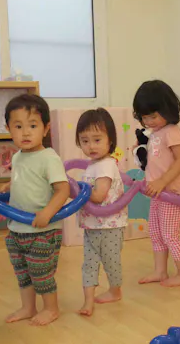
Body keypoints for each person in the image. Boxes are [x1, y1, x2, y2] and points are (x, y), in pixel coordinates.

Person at [0, 94, 71, 326]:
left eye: (33, 125)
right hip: (17, 229)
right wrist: (9, 186)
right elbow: (26, 180)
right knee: (23, 273)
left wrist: (48, 212)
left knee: (41, 273)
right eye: (18, 126)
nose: (26, 132)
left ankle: (51, 308)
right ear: (8, 129)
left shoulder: (49, 158)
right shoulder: (18, 157)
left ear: (46, 128)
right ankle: (28, 307)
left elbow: (62, 189)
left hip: (43, 230)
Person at [133, 80, 180, 287]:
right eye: (144, 117)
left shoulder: (171, 131)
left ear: (167, 110)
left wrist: (162, 181)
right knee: (156, 233)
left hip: (173, 192)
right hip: (158, 193)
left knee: (169, 234)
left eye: (153, 116)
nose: (149, 121)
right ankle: (160, 271)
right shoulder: (155, 134)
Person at [75, 108, 127, 316]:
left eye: (97, 140)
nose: (91, 146)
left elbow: (99, 196)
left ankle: (115, 291)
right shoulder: (93, 165)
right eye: (85, 141)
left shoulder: (105, 165)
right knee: (88, 264)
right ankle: (88, 302)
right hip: (92, 225)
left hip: (110, 226)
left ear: (110, 140)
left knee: (111, 262)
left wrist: (76, 189)